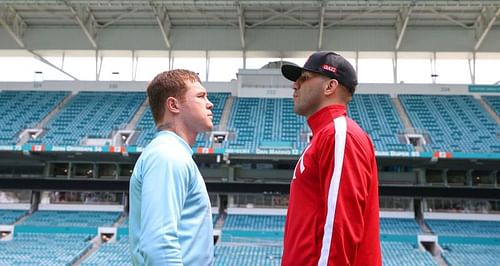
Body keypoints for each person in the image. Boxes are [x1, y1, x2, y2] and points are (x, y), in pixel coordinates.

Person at [280, 51, 381, 265]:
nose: (294, 85)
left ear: (330, 87)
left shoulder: (338, 134)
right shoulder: (326, 135)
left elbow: (340, 224)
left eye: (304, 78)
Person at [129, 69, 214, 265]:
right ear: (173, 105)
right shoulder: (167, 155)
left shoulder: (171, 152)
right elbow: (159, 243)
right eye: (201, 96)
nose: (210, 103)